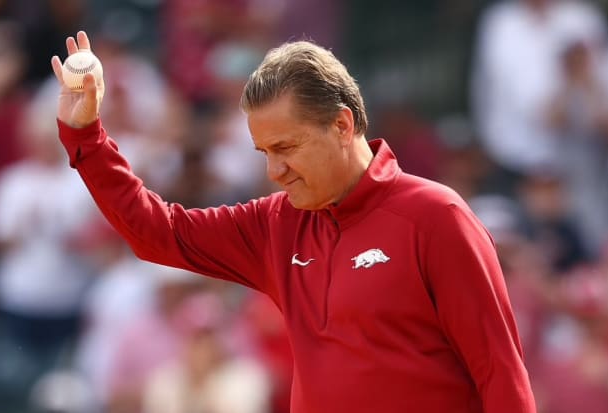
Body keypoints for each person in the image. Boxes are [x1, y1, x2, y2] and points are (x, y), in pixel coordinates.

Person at [51, 31, 536, 413]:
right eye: (264, 151)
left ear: (342, 126)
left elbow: (500, 375)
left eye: (286, 148)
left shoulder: (437, 217)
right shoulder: (276, 224)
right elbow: (157, 233)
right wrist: (86, 138)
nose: (273, 170)